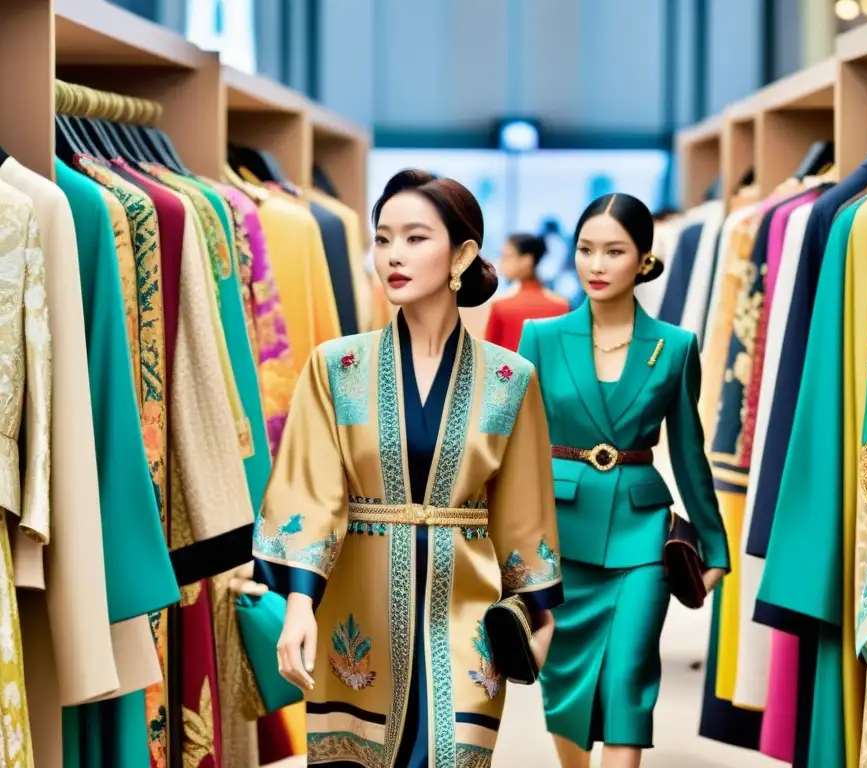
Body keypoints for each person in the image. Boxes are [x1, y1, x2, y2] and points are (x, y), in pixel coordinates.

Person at [253, 169, 564, 768]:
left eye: (415, 238)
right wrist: (297, 605)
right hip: (356, 614)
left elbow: (525, 512)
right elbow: (310, 492)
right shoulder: (337, 367)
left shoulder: (509, 381)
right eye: (383, 238)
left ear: (463, 253)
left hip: (468, 618)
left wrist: (537, 617)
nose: (393, 255)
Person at [518, 193, 730, 768]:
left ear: (643, 261)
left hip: (641, 538)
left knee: (630, 675)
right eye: (587, 250)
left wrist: (713, 546)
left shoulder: (677, 346)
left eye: (614, 251)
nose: (597, 264)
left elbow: (689, 454)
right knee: (562, 684)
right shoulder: (539, 337)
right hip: (558, 538)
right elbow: (520, 448)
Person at [484, 233, 570, 351]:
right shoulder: (561, 305)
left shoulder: (500, 304)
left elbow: (489, 354)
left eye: (506, 257)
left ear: (526, 260)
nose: (501, 263)